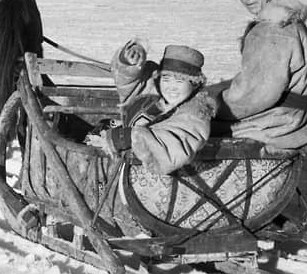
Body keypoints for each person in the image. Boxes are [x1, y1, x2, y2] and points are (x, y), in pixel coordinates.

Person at [211, 0, 307, 151]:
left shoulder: (272, 30)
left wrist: (207, 105)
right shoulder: (289, 22)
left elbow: (255, 93)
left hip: (276, 122)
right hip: (291, 116)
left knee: (189, 127)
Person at [88, 40, 217, 174]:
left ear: (195, 84)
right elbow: (133, 84)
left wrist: (127, 136)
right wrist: (130, 62)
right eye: (166, 79)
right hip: (123, 164)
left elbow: (175, 146)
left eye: (179, 81)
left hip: (154, 180)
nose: (171, 87)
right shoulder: (154, 96)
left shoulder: (196, 115)